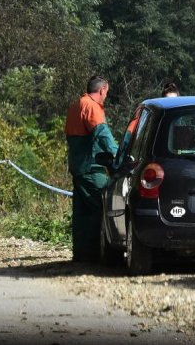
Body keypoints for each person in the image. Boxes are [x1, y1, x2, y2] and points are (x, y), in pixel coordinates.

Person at [64, 75, 118, 262]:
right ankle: (98, 255)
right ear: (102, 90)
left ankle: (80, 254)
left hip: (77, 168)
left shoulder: (75, 106)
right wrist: (119, 155)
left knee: (81, 213)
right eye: (106, 93)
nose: (106, 96)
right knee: (104, 206)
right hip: (91, 169)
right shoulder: (92, 107)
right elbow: (103, 136)